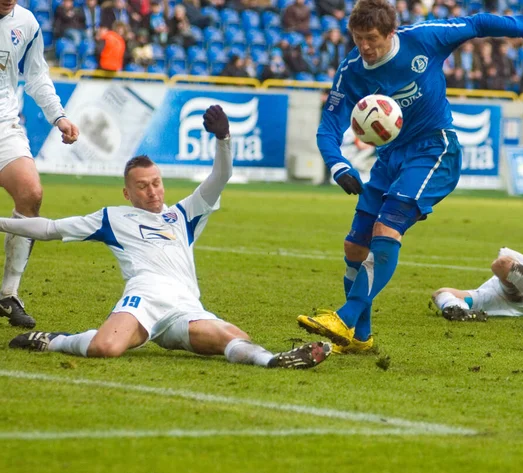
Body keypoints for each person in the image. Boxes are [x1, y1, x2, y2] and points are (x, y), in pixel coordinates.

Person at [296, 0, 523, 352]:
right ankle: (360, 338)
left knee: (386, 229)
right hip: (389, 159)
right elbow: (328, 128)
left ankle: (345, 318)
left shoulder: (423, 38)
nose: (365, 46)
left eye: (372, 38)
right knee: (355, 245)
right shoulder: (351, 70)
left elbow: (478, 23)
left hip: (434, 149)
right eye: (358, 38)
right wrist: (339, 165)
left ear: (390, 33)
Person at [7, 105, 331, 369]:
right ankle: (55, 340)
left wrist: (224, 138)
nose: (152, 191)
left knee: (232, 335)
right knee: (105, 347)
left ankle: (272, 360)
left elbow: (222, 176)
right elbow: (49, 228)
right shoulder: (112, 217)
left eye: (156, 182)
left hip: (185, 306)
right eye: (142, 186)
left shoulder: (184, 214)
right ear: (127, 193)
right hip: (144, 299)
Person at [0, 0, 79, 328]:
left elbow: (36, 76)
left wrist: (58, 116)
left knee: (31, 193)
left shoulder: (27, 23)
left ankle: (8, 294)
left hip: (4, 125)